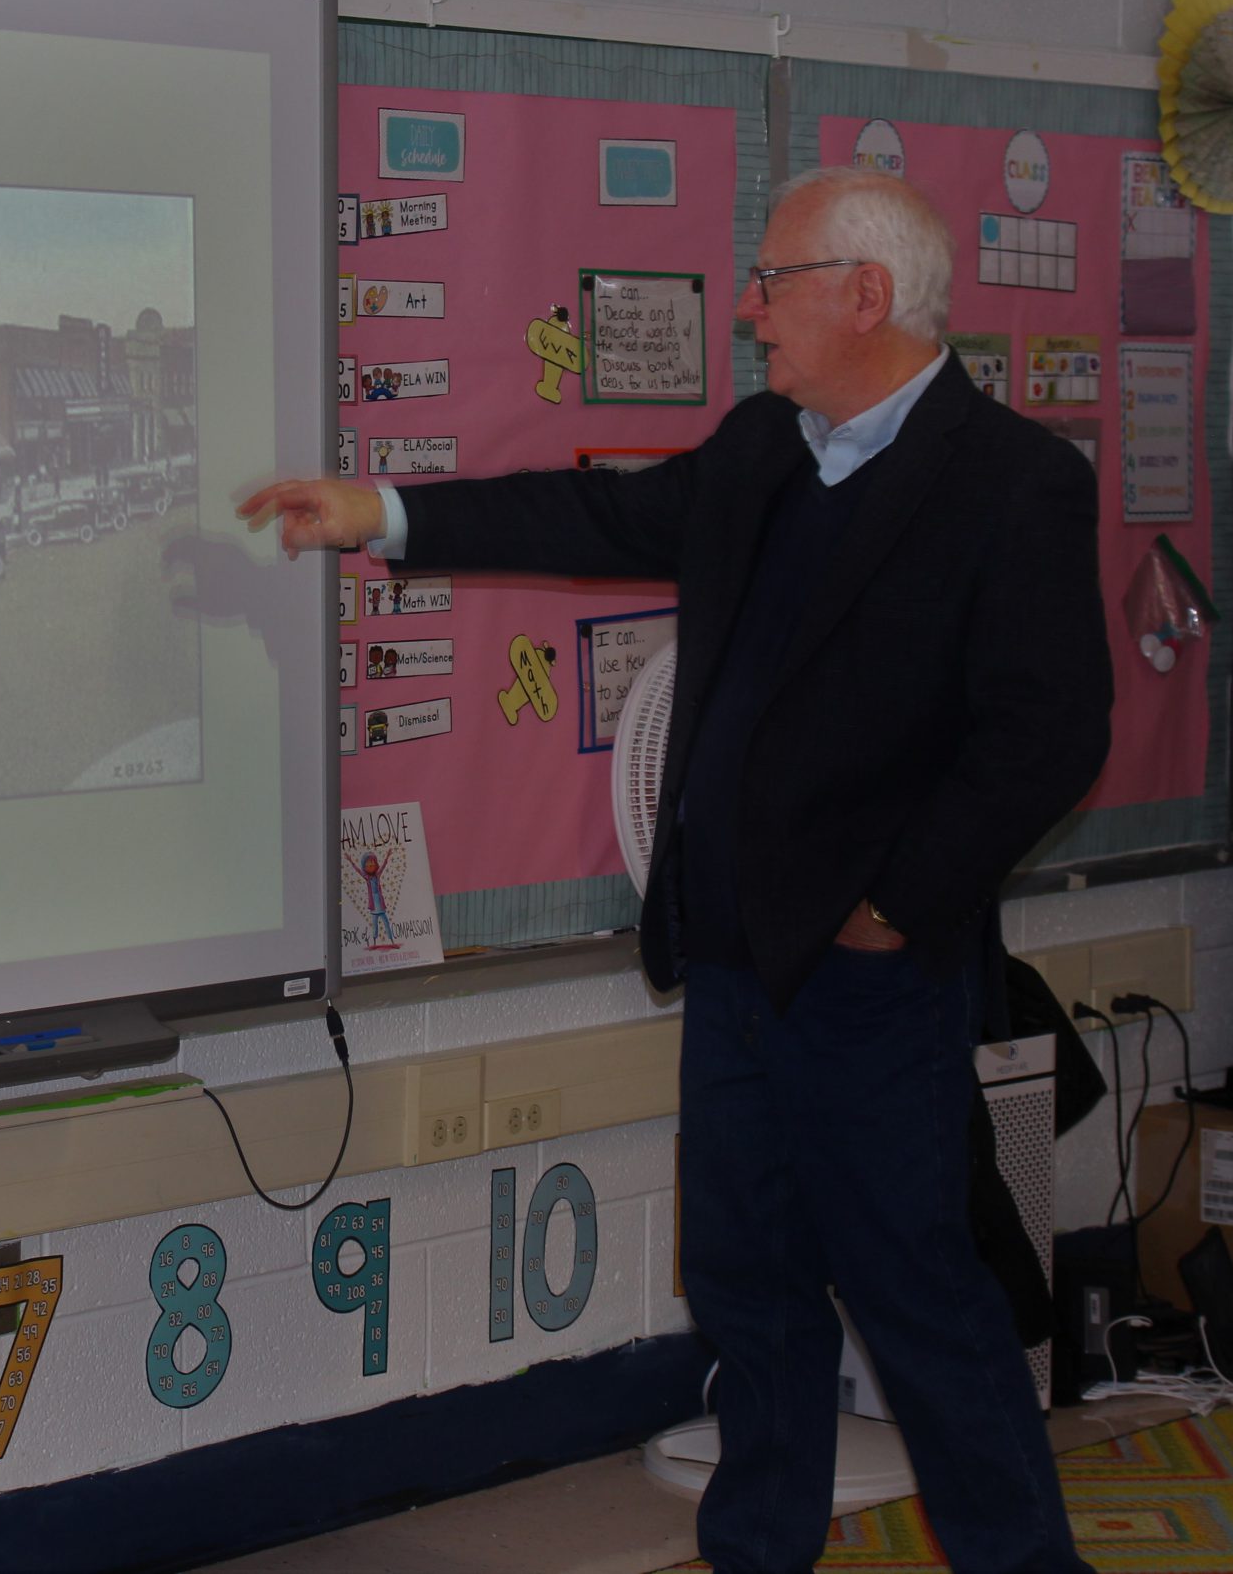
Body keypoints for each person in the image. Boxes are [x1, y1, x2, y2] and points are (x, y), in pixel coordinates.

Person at [241, 167, 1110, 1574]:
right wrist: (384, 515)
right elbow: (600, 523)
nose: (752, 309)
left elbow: (1051, 735)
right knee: (748, 1288)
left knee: (916, 1299)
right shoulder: (768, 444)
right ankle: (758, 1554)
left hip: (875, 979)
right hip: (730, 960)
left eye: (776, 279)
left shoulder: (1011, 481)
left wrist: (893, 907)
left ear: (867, 294)